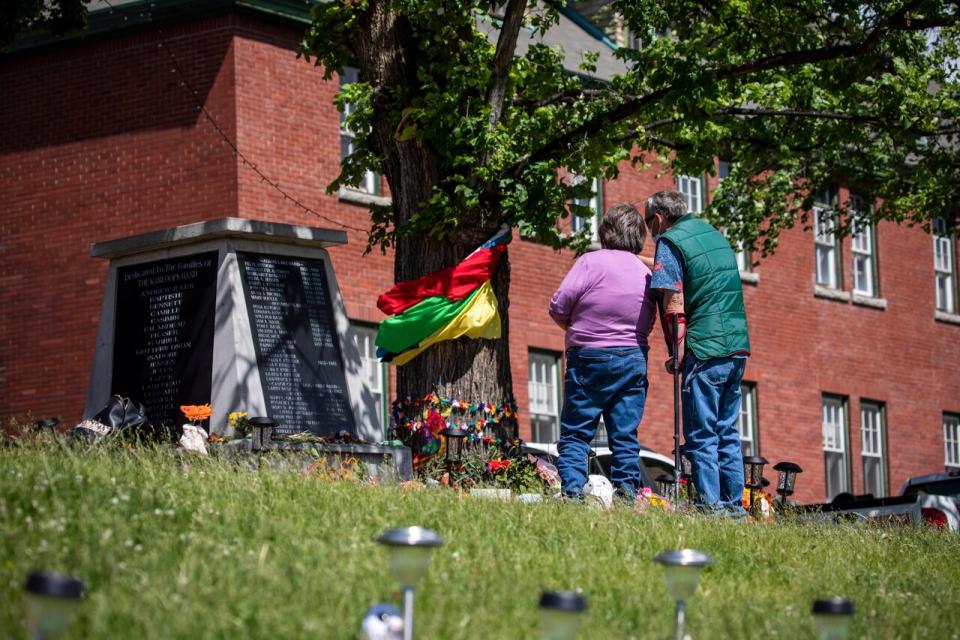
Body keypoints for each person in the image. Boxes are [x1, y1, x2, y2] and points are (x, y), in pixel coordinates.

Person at [644, 190, 751, 516]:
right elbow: (690, 273)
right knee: (727, 433)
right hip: (736, 347)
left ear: (659, 219)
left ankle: (710, 508)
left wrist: (676, 355)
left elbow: (674, 304)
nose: (650, 232)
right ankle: (735, 509)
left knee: (701, 435)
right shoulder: (712, 235)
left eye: (650, 224)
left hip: (704, 349)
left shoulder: (670, 242)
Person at [548, 203, 656, 503]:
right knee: (624, 435)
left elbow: (558, 305)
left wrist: (576, 328)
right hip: (633, 356)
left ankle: (572, 492)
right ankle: (626, 494)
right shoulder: (645, 273)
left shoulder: (589, 262)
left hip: (589, 356)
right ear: (638, 237)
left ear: (605, 231)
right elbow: (649, 320)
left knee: (577, 432)